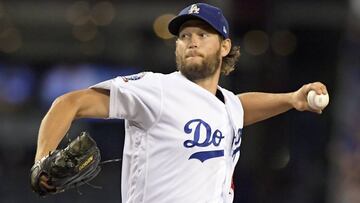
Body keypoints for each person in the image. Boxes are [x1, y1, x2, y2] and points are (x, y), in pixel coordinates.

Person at [33, 3, 328, 203]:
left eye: (203, 34)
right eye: (184, 36)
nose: (192, 41)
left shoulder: (226, 105)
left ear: (225, 46)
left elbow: (239, 107)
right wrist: (42, 160)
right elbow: (70, 103)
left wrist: (292, 99)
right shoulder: (156, 89)